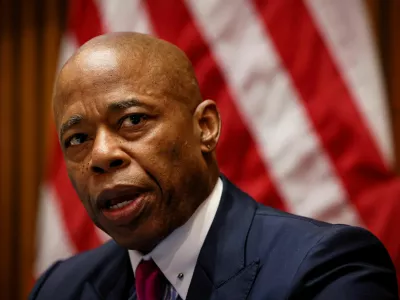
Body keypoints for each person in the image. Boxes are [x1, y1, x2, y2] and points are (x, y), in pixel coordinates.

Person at [29, 32, 398, 300]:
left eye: (132, 120)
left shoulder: (324, 270)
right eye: (77, 139)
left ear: (205, 127)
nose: (101, 155)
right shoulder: (59, 288)